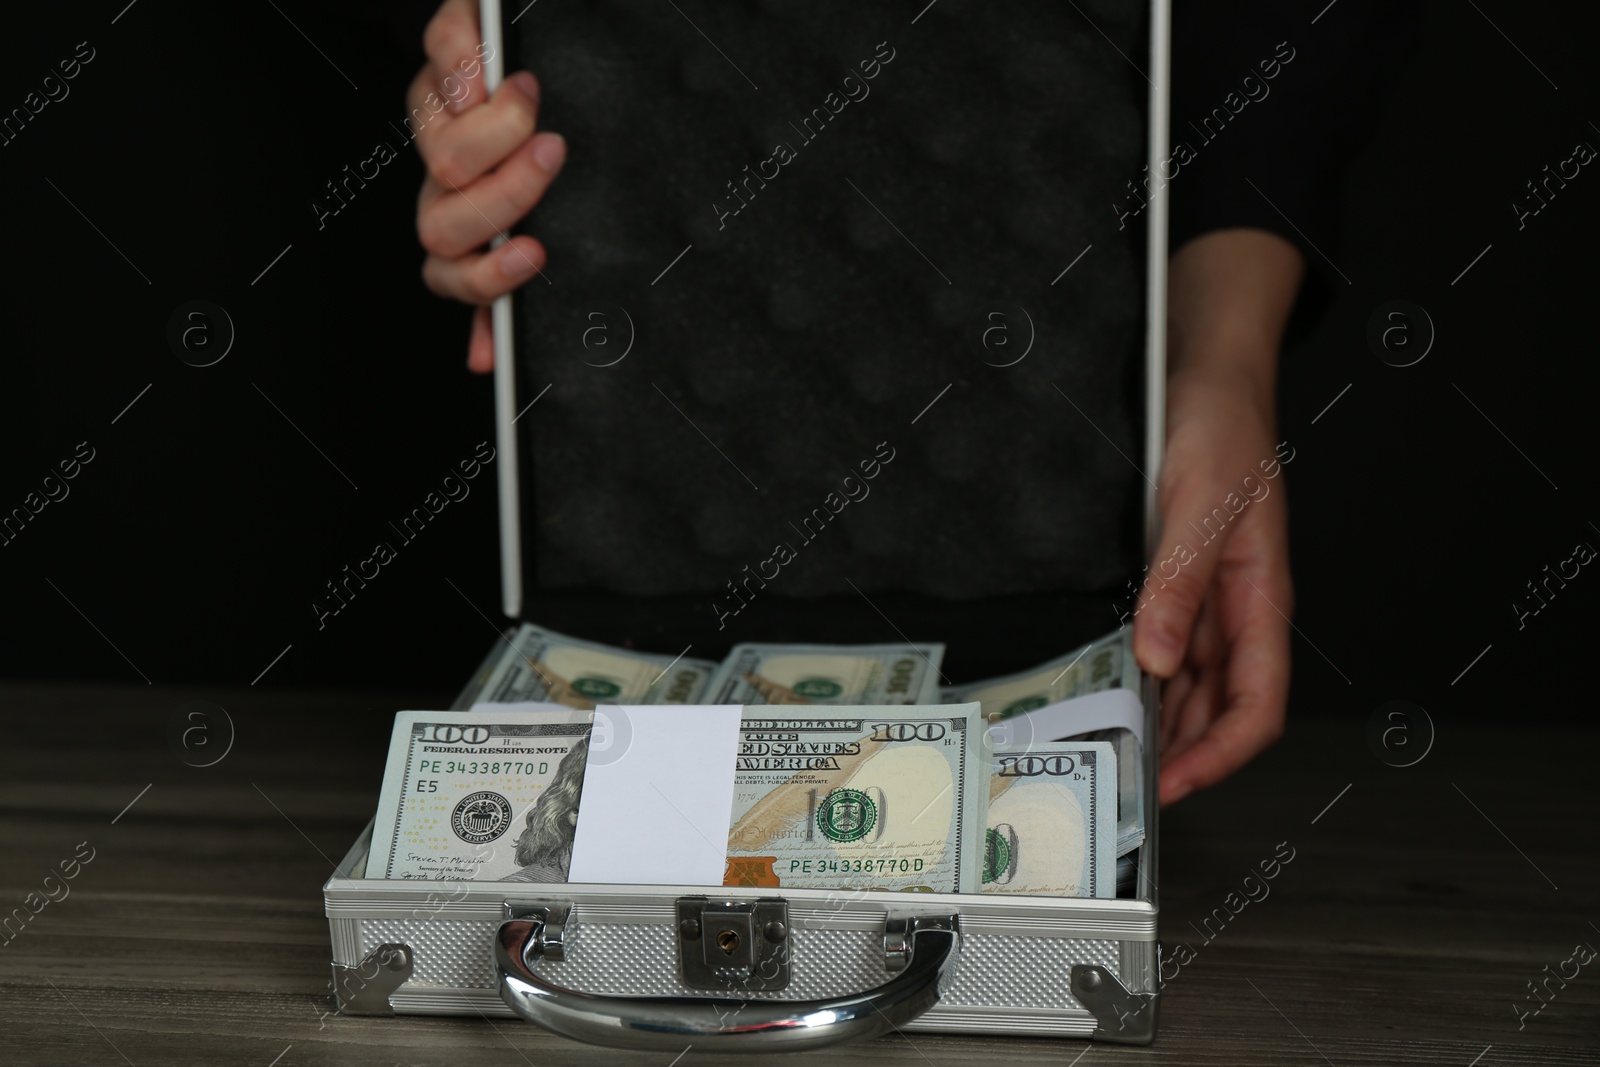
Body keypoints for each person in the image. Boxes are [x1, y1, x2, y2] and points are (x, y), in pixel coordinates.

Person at [407, 0, 1419, 806]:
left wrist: (1222, 353)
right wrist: (471, 71)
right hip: (566, 550)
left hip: (1055, 569)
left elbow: (1284, 33)